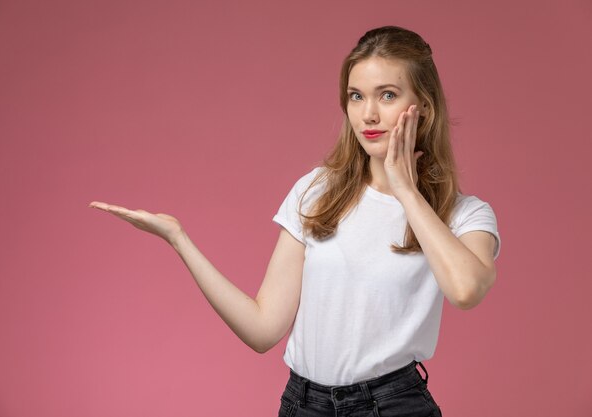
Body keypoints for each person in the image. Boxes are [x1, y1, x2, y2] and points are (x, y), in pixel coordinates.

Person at [89, 25, 500, 417]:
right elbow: (263, 329)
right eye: (356, 96)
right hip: (304, 404)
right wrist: (178, 239)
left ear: (423, 106)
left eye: (387, 95)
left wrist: (407, 191)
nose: (368, 114)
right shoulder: (318, 190)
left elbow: (466, 290)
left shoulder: (465, 215)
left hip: (392, 406)